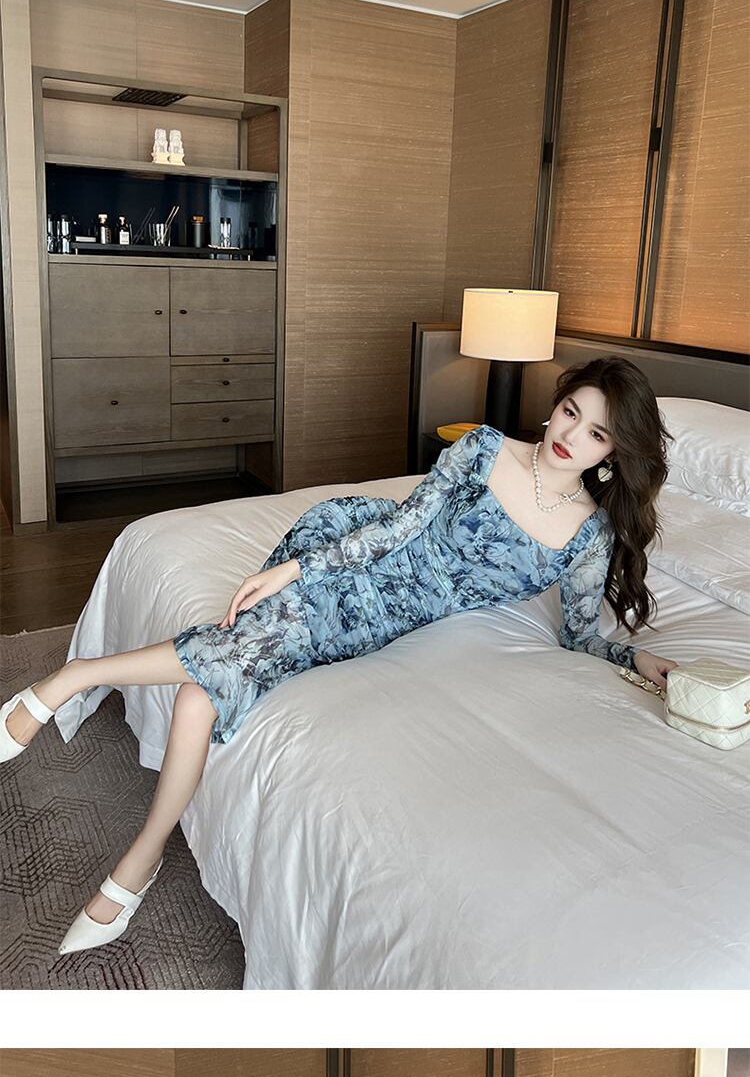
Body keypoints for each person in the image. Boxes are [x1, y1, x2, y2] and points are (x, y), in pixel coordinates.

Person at [0, 358, 678, 958]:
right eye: (570, 411)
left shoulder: (587, 536)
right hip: (353, 556)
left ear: (614, 452)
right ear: (555, 405)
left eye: (596, 432)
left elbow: (579, 635)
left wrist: (633, 659)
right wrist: (294, 569)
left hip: (386, 617)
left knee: (200, 696)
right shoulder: (483, 448)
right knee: (245, 647)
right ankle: (88, 718)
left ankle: (96, 734)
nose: (571, 435)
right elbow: (398, 528)